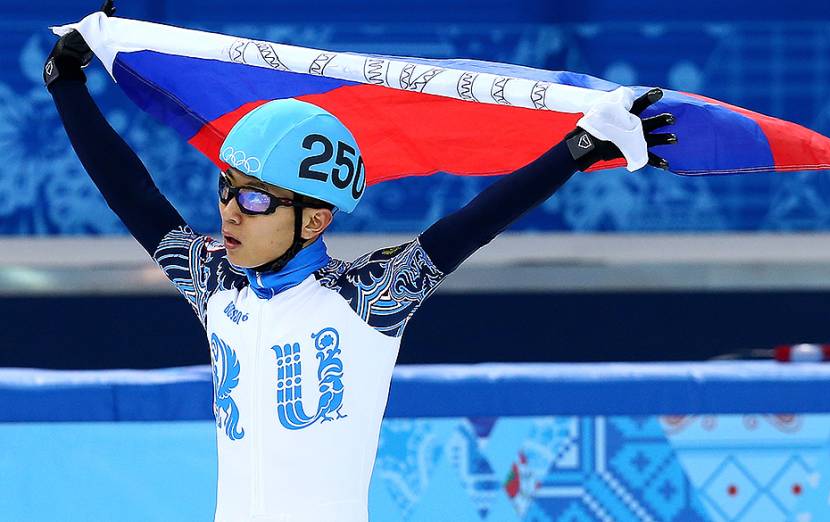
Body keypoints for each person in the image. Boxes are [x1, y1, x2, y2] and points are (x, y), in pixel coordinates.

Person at [44, 5, 677, 521]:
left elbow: (472, 224)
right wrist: (66, 85)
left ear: (315, 221)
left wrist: (577, 149)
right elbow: (135, 198)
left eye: (257, 197)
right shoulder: (217, 289)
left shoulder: (365, 299)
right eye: (227, 189)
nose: (232, 212)